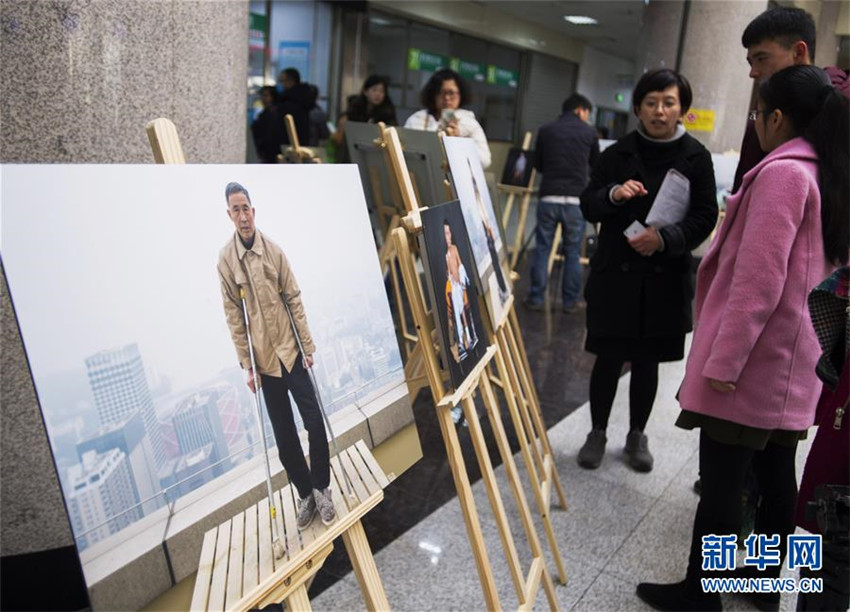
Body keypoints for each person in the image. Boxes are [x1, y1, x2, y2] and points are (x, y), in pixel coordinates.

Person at [636, 65, 849, 612]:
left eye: (758, 112)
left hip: (754, 361)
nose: (756, 122)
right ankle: (757, 586)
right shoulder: (826, 171)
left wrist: (724, 364)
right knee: (777, 474)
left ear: (777, 117)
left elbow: (758, 282)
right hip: (791, 358)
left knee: (725, 482)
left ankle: (702, 595)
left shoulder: (783, 175)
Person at [578, 69, 717, 473]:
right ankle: (597, 431)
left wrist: (665, 239)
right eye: (652, 102)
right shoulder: (616, 154)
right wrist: (613, 194)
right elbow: (588, 204)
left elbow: (705, 216)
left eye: (669, 102)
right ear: (638, 107)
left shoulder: (696, 157)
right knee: (607, 358)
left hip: (663, 277)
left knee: (647, 362)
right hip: (615, 277)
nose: (660, 111)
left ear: (682, 110)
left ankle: (637, 434)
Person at [217, 182, 337, 530]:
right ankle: (304, 495)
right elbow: (233, 317)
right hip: (264, 364)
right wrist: (246, 365)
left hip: (291, 354)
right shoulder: (226, 261)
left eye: (246, 208)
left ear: (254, 211)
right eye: (235, 210)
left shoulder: (274, 251)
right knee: (285, 439)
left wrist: (307, 346)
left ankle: (321, 489)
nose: (242, 216)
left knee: (314, 422)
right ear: (230, 215)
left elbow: (294, 298)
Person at [732, 6, 850, 193]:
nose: (753, 72)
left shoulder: (839, 102)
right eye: (750, 62)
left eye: (761, 58)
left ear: (798, 52)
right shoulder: (761, 108)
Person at [524, 93, 599, 314]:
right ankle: (570, 302)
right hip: (576, 200)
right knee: (573, 252)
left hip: (549, 197)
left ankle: (536, 298)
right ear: (580, 110)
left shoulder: (546, 130)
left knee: (542, 249)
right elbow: (596, 165)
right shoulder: (589, 132)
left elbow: (538, 164)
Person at [404, 69, 491, 169]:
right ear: (433, 95)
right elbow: (405, 153)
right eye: (441, 92)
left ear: (460, 94)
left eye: (451, 93)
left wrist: (459, 140)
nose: (446, 98)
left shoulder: (469, 122)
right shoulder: (417, 119)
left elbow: (485, 161)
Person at [332, 75, 398, 146]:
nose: (378, 94)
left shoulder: (387, 113)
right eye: (374, 90)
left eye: (382, 91)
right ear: (365, 91)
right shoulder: (355, 108)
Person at [277, 68, 314, 146]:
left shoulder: (288, 101)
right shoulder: (304, 98)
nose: (281, 84)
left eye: (282, 81)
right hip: (302, 141)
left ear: (290, 81)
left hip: (289, 142)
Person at [251, 86, 286, 164]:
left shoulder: (273, 113)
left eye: (266, 96)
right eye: (262, 96)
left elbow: (270, 134)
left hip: (270, 152)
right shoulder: (265, 112)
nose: (263, 99)